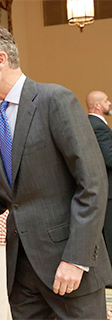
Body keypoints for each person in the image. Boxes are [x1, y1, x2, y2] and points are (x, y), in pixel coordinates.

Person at [0, 24, 112, 319]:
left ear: (0, 59)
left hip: (69, 270)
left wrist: (76, 258)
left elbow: (92, 183)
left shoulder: (55, 101)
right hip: (22, 277)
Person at [87, 90, 112, 266]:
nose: (109, 103)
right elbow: (109, 157)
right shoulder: (98, 126)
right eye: (106, 101)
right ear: (97, 105)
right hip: (108, 190)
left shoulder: (88, 124)